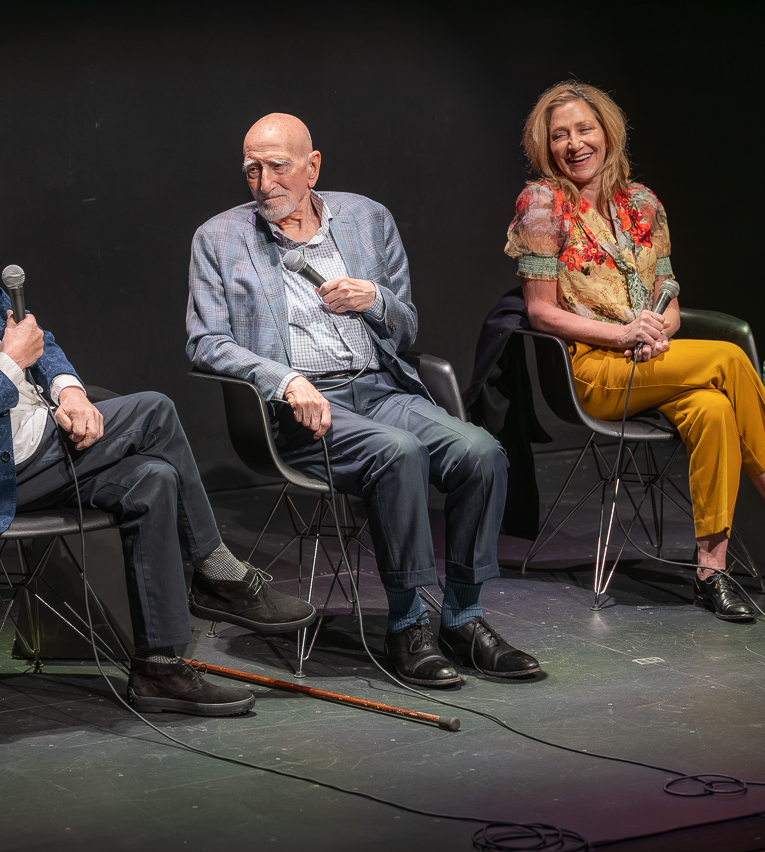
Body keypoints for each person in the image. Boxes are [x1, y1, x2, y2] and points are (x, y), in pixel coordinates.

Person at [0, 151, 316, 717]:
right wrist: (10, 365)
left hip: (38, 433)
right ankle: (218, 573)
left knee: (152, 479)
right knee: (154, 411)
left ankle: (159, 669)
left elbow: (38, 338)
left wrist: (68, 390)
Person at [187, 114, 539, 686]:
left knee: (480, 452)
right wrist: (284, 380)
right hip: (301, 408)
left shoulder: (367, 218)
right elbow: (206, 342)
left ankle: (463, 616)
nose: (265, 182)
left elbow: (405, 328)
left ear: (313, 165)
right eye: (252, 169)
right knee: (398, 453)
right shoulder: (220, 238)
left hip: (380, 387)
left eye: (279, 166)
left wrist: (374, 299)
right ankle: (406, 625)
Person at [504, 81, 765, 622]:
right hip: (596, 371)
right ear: (544, 146)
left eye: (585, 129)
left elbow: (669, 296)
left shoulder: (645, 204)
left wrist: (658, 332)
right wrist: (623, 335)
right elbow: (540, 312)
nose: (574, 144)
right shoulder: (542, 205)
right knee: (728, 359)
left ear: (608, 133)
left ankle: (710, 573)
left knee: (715, 410)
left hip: (652, 361)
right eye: (560, 136)